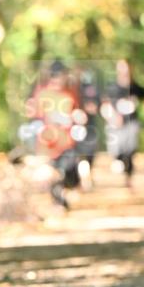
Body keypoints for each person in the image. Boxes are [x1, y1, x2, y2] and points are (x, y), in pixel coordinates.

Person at [25, 59, 86, 210]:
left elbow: (75, 111)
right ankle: (58, 201)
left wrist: (77, 116)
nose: (60, 80)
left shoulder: (69, 94)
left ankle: (66, 191)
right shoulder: (42, 94)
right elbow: (34, 116)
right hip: (49, 143)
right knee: (54, 174)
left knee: (69, 171)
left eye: (63, 76)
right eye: (57, 76)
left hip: (67, 142)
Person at [101, 59, 144, 187]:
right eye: (122, 68)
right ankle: (119, 162)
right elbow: (104, 105)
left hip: (132, 123)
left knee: (130, 151)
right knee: (116, 151)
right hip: (116, 125)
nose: (124, 71)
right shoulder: (112, 87)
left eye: (126, 68)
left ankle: (128, 179)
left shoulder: (135, 87)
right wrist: (112, 117)